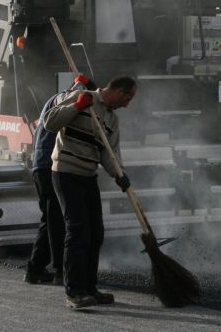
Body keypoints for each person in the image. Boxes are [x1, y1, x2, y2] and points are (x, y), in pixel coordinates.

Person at [44, 76, 137, 309]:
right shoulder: (80, 96)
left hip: (87, 176)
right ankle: (74, 292)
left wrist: (119, 174)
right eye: (127, 97)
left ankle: (89, 288)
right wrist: (76, 106)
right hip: (65, 172)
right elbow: (49, 122)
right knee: (77, 230)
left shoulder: (112, 120)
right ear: (117, 90)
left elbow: (109, 152)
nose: (128, 104)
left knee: (95, 233)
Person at [24, 75, 97, 286]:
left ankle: (35, 268)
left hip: (42, 165)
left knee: (50, 218)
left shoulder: (56, 99)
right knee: (56, 218)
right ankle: (58, 270)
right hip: (50, 166)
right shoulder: (67, 101)